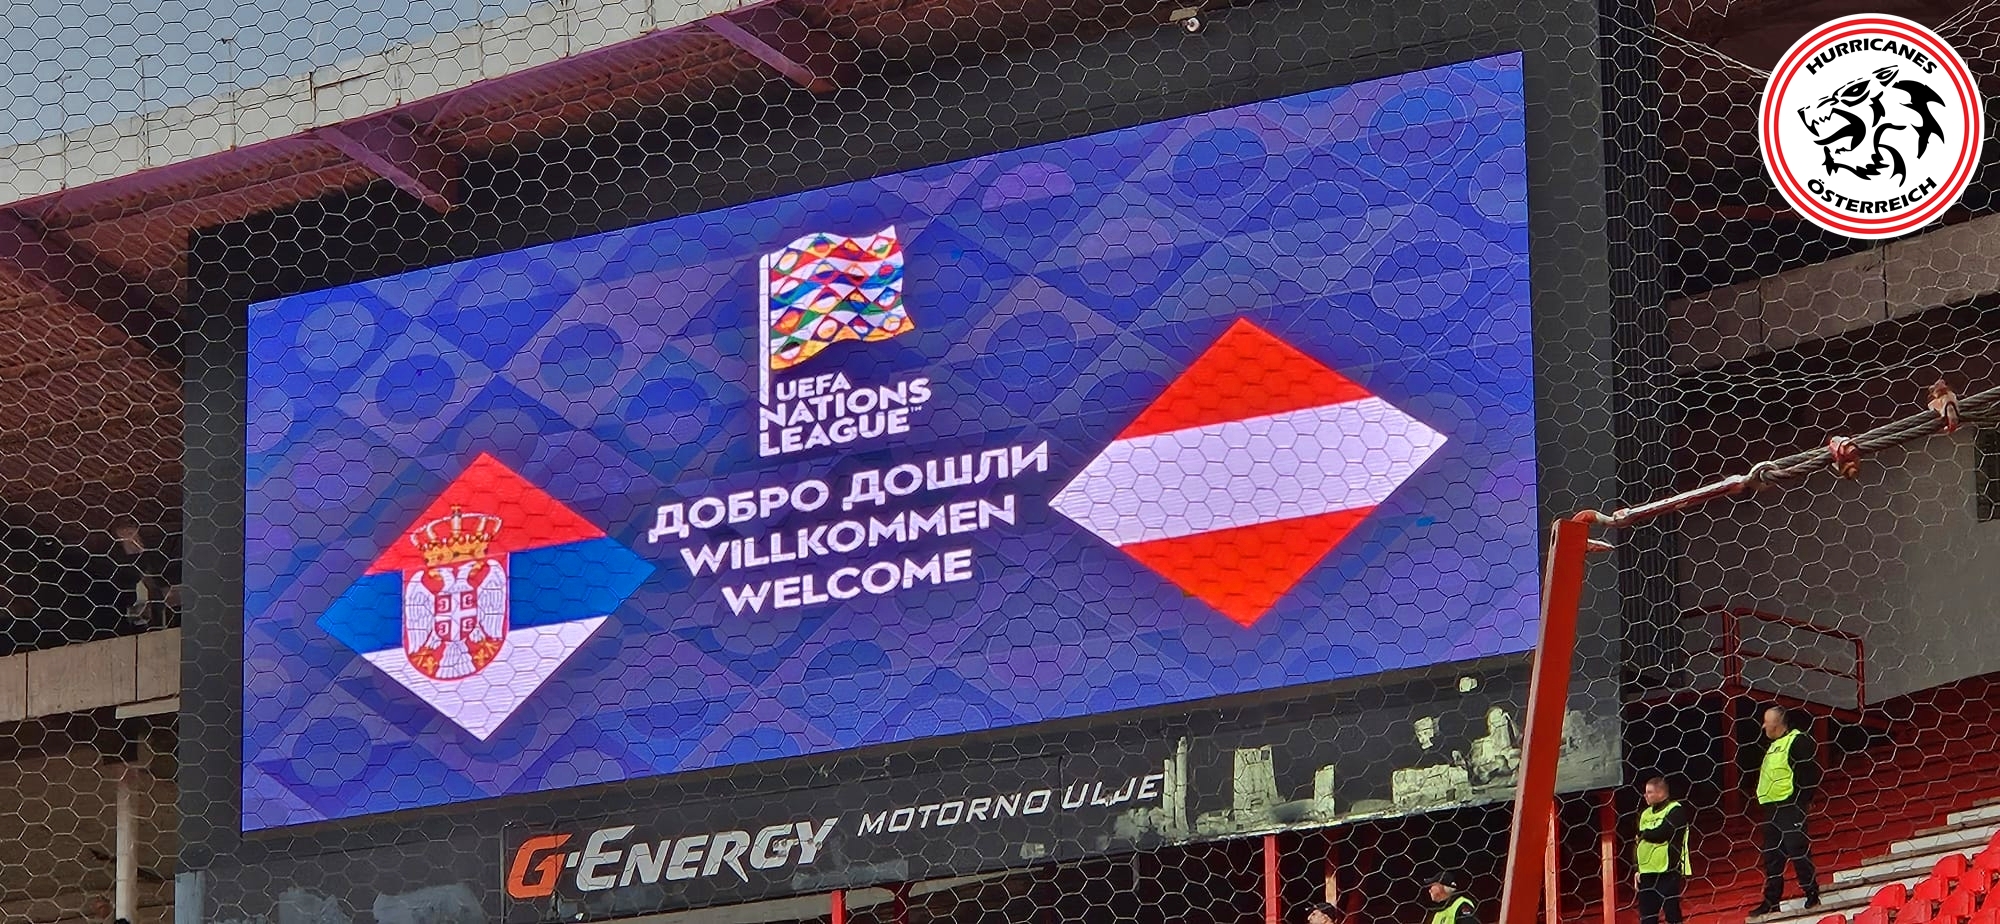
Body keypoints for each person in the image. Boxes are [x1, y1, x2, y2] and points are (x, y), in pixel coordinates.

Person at [1750, 706, 1821, 915]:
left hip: (1790, 804)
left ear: (1777, 723)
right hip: (1772, 807)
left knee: (1797, 849)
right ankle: (1771, 900)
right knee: (1772, 856)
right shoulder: (1774, 745)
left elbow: (1808, 772)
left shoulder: (1797, 740)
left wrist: (1803, 800)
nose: (1763, 726)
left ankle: (1811, 893)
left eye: (1766, 721)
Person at [1634, 776, 1692, 924]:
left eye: (1649, 792)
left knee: (1671, 912)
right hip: (1647, 871)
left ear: (1661, 793)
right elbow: (1638, 843)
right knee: (1647, 915)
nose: (1645, 796)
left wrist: (1645, 834)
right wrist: (1637, 869)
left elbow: (1663, 833)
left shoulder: (1675, 810)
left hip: (1668, 870)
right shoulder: (1645, 814)